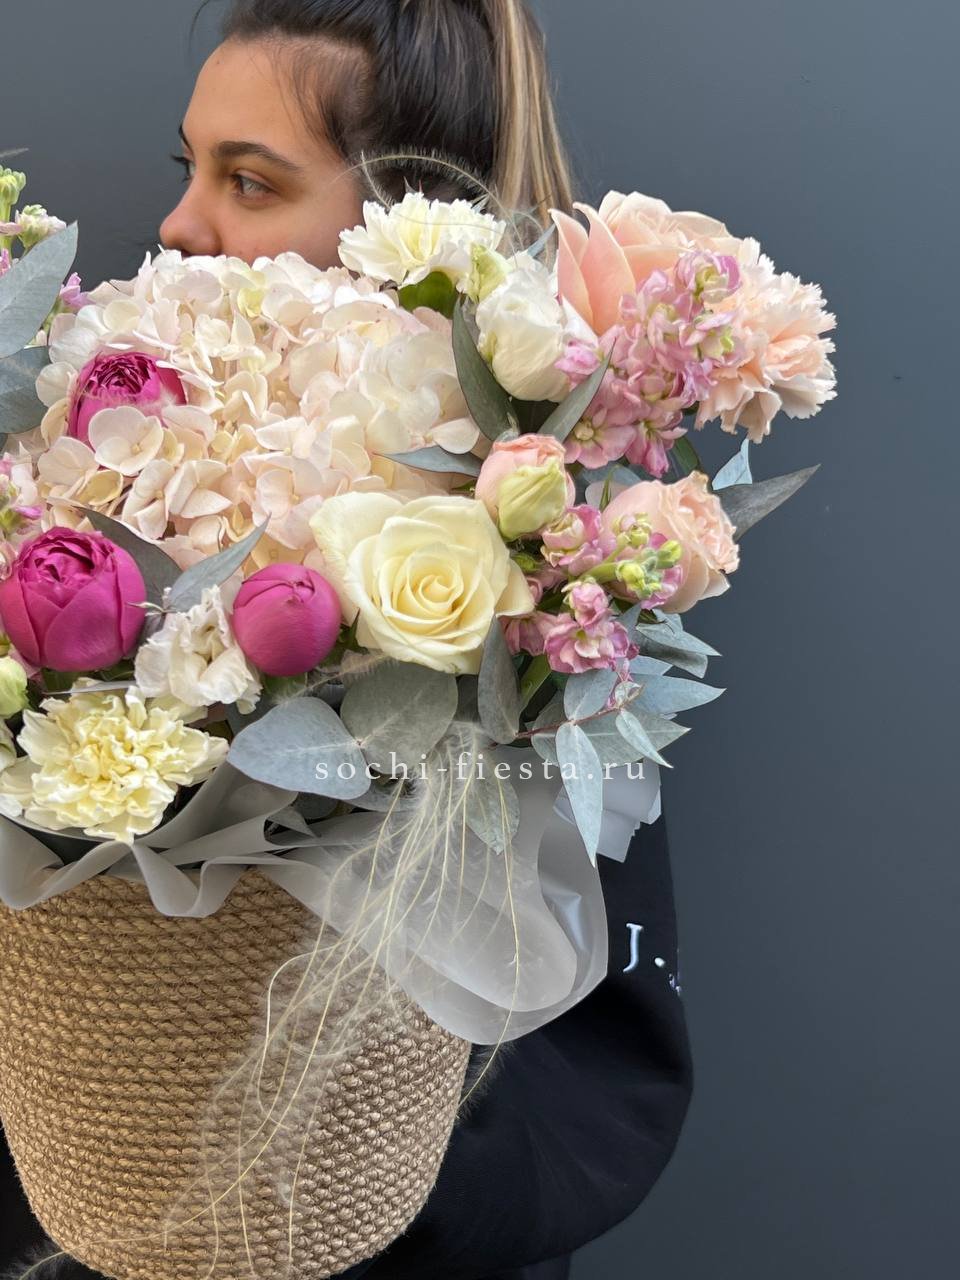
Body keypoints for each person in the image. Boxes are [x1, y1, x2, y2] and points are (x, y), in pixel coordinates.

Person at [0, 3, 693, 1277]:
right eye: (190, 166)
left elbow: (603, 1071)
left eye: (250, 180)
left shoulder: (543, 600)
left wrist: (353, 1152)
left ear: (413, 231)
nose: (178, 224)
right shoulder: (76, 491)